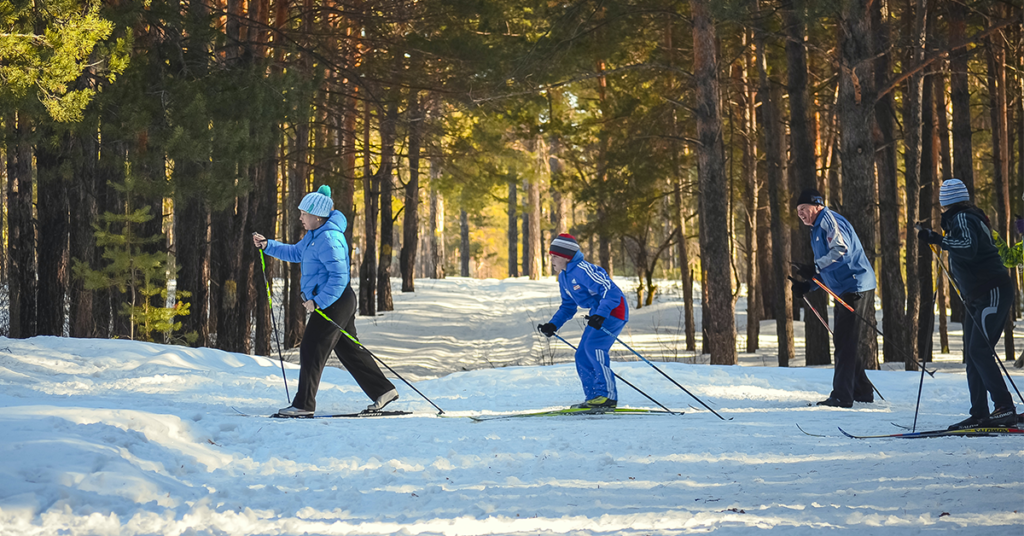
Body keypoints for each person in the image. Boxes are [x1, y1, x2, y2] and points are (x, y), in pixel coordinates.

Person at [252, 185, 398, 417]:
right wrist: (268, 245)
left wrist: (318, 301)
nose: (300, 217)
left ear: (317, 216)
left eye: (304, 213)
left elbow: (340, 276)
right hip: (336, 300)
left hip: (335, 300)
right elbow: (295, 254)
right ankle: (384, 390)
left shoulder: (329, 238)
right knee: (349, 350)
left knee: (311, 348)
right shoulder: (314, 236)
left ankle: (303, 405)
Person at [918, 178, 1016, 429]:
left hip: (991, 292)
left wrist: (937, 239)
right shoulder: (963, 218)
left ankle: (1004, 407)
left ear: (945, 203)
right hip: (978, 296)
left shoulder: (961, 217)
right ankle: (980, 413)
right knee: (973, 356)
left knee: (979, 351)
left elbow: (969, 247)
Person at [790, 188, 877, 408]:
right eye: (797, 210)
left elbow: (841, 250)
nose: (800, 214)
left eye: (803, 209)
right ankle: (861, 390)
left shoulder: (828, 220)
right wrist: (807, 286)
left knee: (845, 342)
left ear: (817, 205)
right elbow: (826, 267)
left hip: (855, 285)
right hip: (842, 289)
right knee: (843, 340)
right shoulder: (816, 229)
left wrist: (814, 267)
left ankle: (842, 396)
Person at [537, 234, 628, 409]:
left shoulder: (583, 270)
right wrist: (553, 324)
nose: (552, 260)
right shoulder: (564, 277)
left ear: (566, 256)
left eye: (554, 256)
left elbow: (611, 291)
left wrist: (601, 314)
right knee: (581, 354)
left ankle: (607, 396)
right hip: (598, 312)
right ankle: (594, 397)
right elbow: (568, 306)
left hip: (614, 311)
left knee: (594, 348)